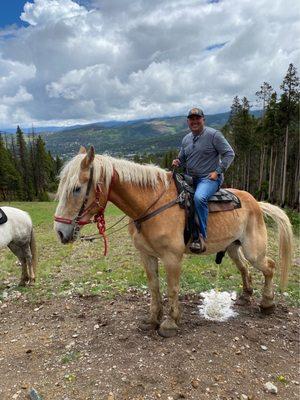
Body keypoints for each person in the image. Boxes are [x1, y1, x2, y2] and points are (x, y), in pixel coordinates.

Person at [172, 107, 235, 253]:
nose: (194, 121)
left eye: (197, 118)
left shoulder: (214, 135)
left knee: (199, 198)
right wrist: (177, 161)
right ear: (188, 121)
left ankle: (201, 235)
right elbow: (182, 157)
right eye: (191, 119)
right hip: (190, 178)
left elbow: (229, 154)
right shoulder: (186, 138)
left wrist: (218, 172)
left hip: (209, 178)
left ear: (203, 120)